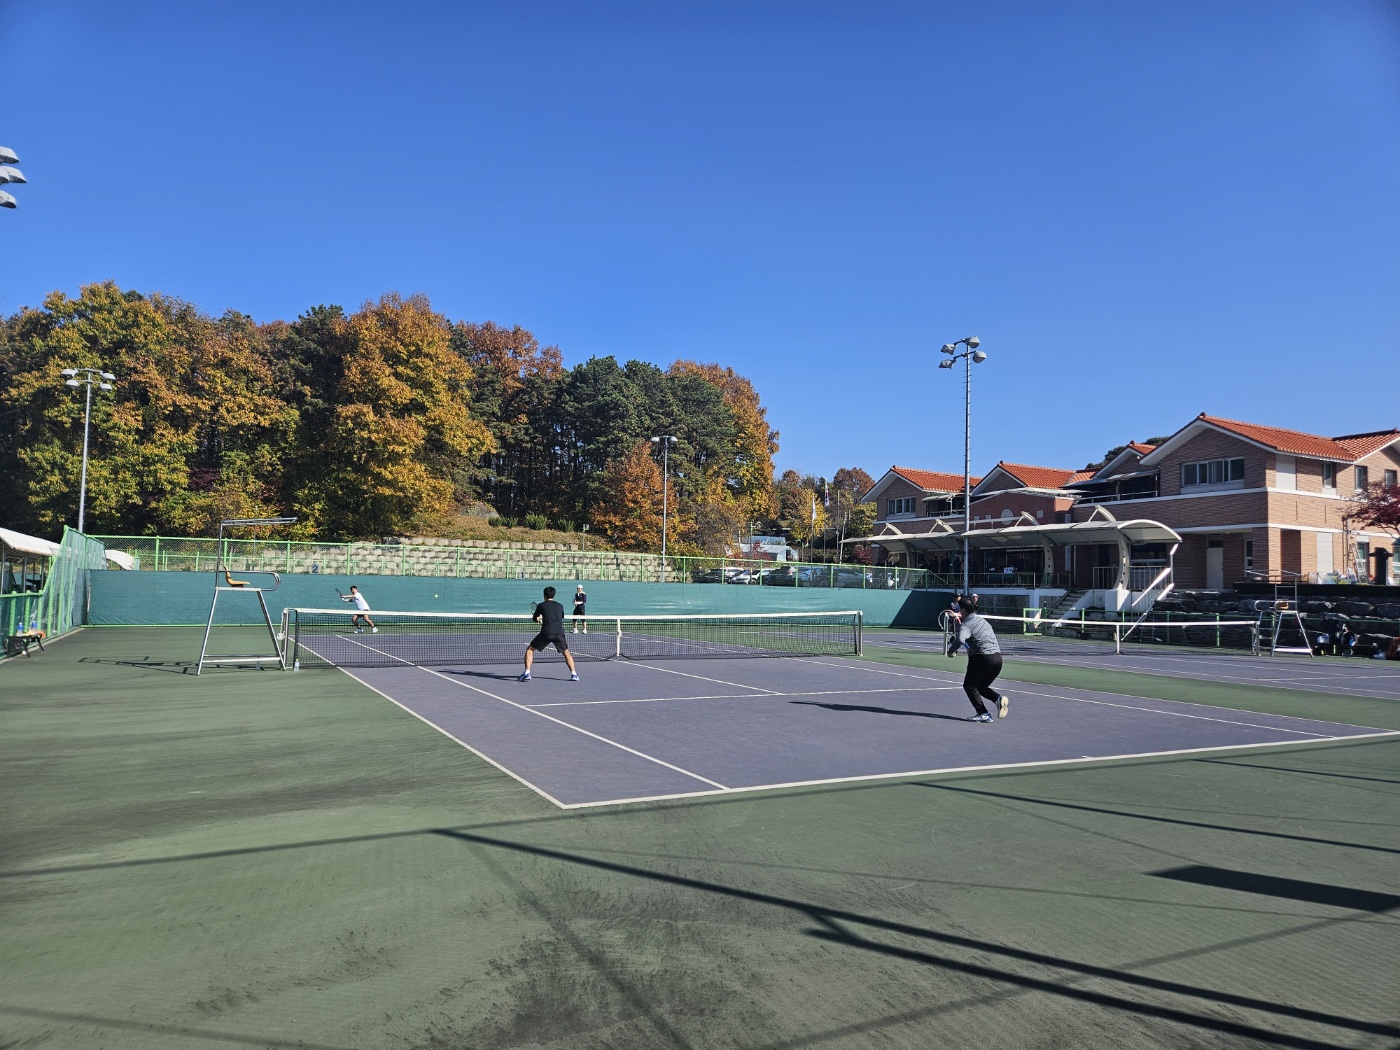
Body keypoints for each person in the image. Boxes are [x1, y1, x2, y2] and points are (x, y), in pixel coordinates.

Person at [947, 595, 1007, 722]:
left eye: (960, 610)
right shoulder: (983, 621)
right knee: (980, 687)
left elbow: (960, 639)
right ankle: (997, 699)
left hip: (982, 658)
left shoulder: (966, 624)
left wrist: (951, 651)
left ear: (963, 611)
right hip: (998, 659)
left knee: (969, 685)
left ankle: (983, 713)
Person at [520, 585, 579, 682]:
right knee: (566, 653)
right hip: (559, 632)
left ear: (544, 595)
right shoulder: (560, 606)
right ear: (554, 595)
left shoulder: (541, 605)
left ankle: (527, 673)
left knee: (530, 649)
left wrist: (538, 619)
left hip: (546, 633)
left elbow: (535, 618)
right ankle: (574, 674)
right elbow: (560, 617)